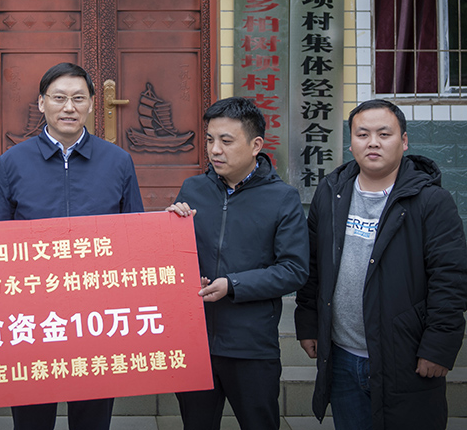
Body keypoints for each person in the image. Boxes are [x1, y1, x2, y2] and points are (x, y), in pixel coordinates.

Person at [0, 62, 144, 430]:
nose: (69, 107)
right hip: (32, 315)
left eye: (78, 98)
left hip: (97, 315)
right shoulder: (12, 163)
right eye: (59, 98)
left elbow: (134, 236)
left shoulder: (118, 161)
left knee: (92, 417)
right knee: (32, 418)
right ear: (41, 103)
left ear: (92, 103)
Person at [294, 99, 467, 430]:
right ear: (351, 142)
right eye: (363, 134)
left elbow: (450, 280)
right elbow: (313, 265)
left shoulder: (431, 201)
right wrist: (308, 323)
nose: (372, 142)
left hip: (405, 357)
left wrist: (438, 347)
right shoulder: (331, 192)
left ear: (404, 141)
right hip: (342, 356)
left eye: (384, 134)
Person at [166, 96, 309, 430]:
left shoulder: (282, 198)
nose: (215, 150)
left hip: (250, 344)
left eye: (226, 141)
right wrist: (169, 224)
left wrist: (233, 285)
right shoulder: (193, 189)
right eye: (210, 140)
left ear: (256, 145)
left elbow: (294, 270)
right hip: (195, 339)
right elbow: (171, 259)